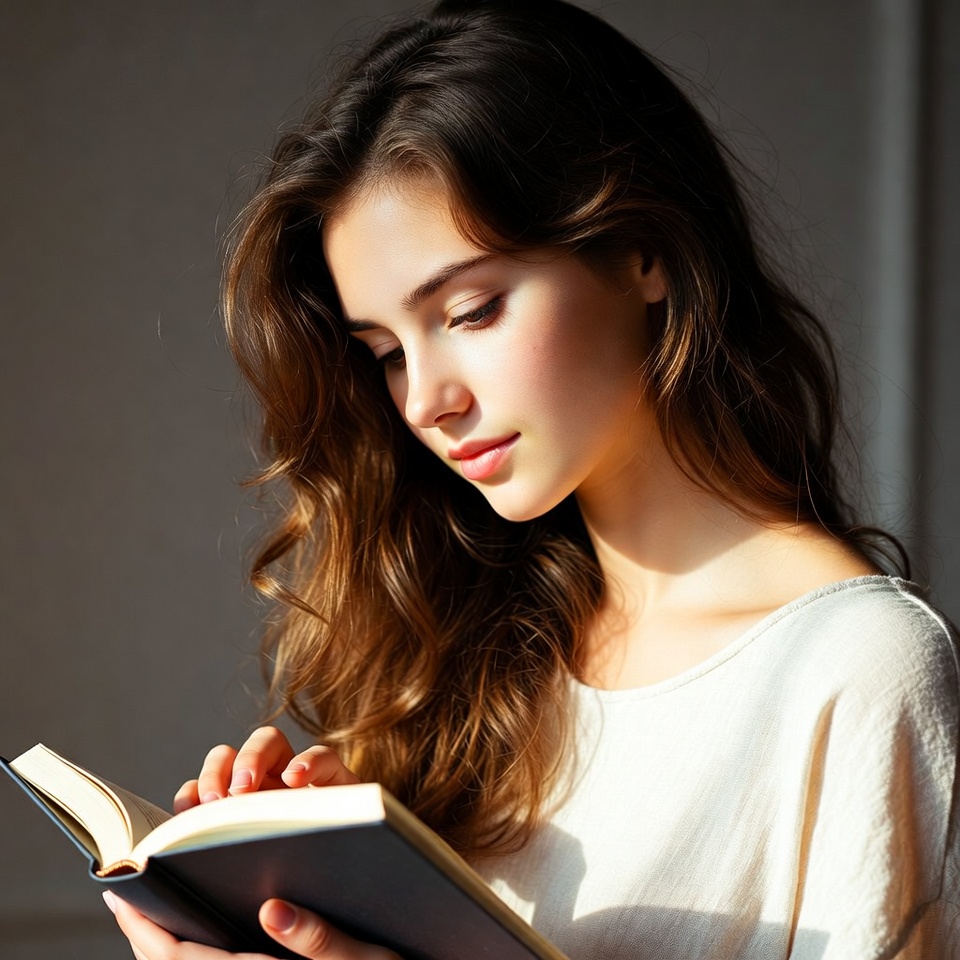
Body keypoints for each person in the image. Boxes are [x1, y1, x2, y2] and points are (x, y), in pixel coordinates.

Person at [104, 0, 960, 957]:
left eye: (471, 311)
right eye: (385, 351)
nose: (425, 400)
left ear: (642, 249)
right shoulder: (476, 658)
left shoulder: (857, 673)